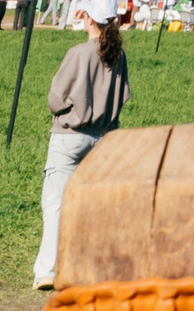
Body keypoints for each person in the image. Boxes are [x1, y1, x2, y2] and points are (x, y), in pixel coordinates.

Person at [33, 0, 128, 291]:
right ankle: (87, 268)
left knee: (55, 204)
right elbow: (123, 94)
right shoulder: (118, 54)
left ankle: (48, 271)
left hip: (70, 135)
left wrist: (68, 111)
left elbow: (55, 98)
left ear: (87, 18)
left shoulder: (78, 53)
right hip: (102, 137)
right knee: (90, 206)